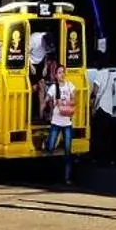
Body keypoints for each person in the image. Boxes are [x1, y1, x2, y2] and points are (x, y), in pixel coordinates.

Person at [42, 57, 78, 186]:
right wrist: (42, 109)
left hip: (67, 122)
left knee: (68, 152)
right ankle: (47, 145)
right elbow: (46, 99)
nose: (61, 74)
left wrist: (64, 102)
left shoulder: (70, 86)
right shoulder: (53, 87)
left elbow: (74, 100)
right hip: (56, 121)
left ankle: (67, 178)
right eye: (59, 72)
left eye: (63, 72)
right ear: (55, 75)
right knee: (50, 147)